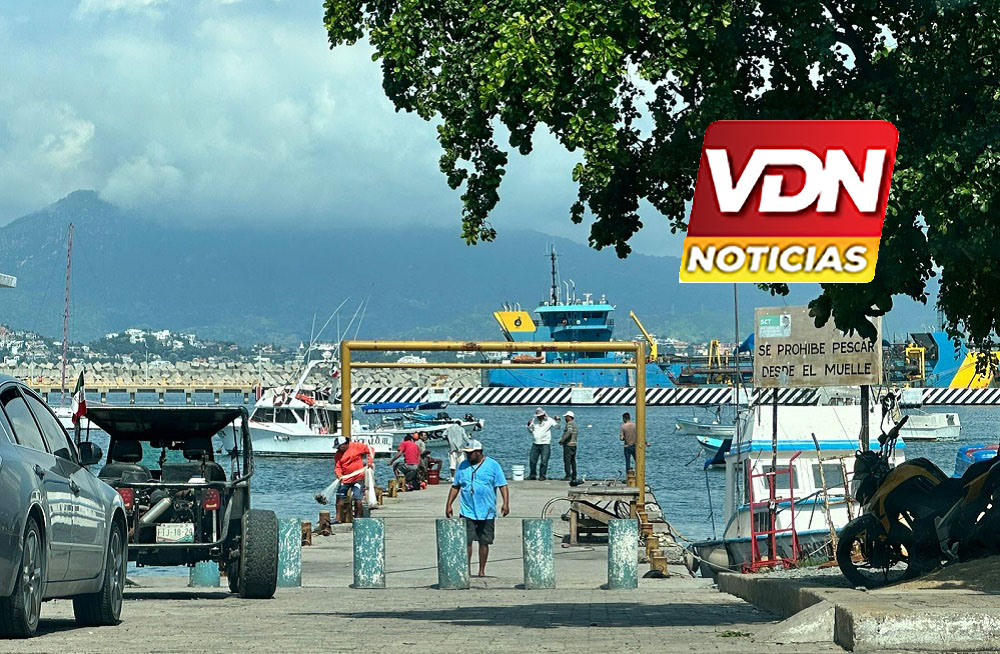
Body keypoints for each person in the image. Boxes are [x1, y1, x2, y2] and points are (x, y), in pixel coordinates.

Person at [445, 439, 509, 578]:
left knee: (484, 541)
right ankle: (466, 569)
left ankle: (481, 570)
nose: (468, 456)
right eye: (467, 453)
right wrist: (449, 504)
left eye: (471, 453)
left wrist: (505, 503)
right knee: (466, 541)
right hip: (467, 510)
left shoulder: (493, 465)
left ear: (479, 452)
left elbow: (502, 485)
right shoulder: (462, 466)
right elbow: (456, 486)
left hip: (487, 511)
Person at [333, 436, 374, 518]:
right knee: (339, 499)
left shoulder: (356, 446)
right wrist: (339, 475)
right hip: (345, 479)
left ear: (345, 444)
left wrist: (370, 462)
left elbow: (370, 450)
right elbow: (337, 467)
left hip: (358, 478)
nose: (338, 449)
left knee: (358, 500)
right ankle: (338, 518)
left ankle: (358, 518)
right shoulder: (338, 454)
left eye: (339, 447)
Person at [526, 407, 559, 480]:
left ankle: (542, 475)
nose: (539, 417)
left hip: (545, 443)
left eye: (540, 415)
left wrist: (557, 421)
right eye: (538, 416)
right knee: (532, 460)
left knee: (544, 461)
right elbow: (530, 430)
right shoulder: (534, 421)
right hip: (535, 443)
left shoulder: (549, 420)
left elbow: (557, 427)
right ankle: (532, 475)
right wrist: (528, 425)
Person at [559, 411, 578, 482]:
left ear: (569, 417)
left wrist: (562, 440)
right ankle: (574, 475)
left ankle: (568, 475)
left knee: (567, 460)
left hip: (568, 445)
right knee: (573, 461)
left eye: (566, 417)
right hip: (574, 445)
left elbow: (569, 432)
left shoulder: (569, 424)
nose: (565, 418)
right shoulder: (575, 424)